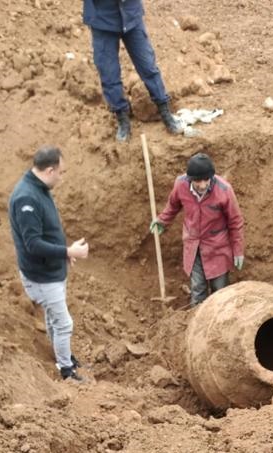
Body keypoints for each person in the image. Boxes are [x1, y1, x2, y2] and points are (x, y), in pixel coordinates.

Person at [8, 146, 89, 382]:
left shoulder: (39, 187)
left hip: (51, 270)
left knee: (55, 318)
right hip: (42, 275)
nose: (62, 178)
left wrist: (64, 254)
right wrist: (67, 251)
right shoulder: (27, 198)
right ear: (50, 170)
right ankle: (66, 371)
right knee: (64, 323)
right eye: (61, 173)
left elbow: (46, 232)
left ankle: (62, 356)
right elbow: (33, 243)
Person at [150, 153, 245, 306]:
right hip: (193, 246)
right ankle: (198, 324)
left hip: (217, 248)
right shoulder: (180, 185)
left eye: (206, 180)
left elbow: (235, 221)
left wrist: (238, 250)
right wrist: (162, 220)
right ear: (190, 179)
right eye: (197, 181)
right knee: (198, 290)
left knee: (220, 293)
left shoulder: (224, 190)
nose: (202, 185)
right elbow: (173, 206)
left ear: (211, 177)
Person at [82, 0, 183, 142]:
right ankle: (122, 118)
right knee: (109, 74)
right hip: (102, 19)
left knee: (148, 66)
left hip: (130, 15)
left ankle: (164, 111)